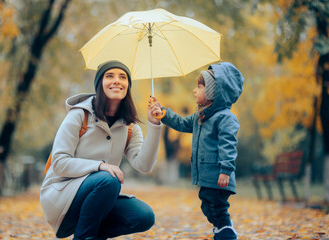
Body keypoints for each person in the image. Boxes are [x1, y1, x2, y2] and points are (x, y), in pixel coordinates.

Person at [40, 60, 162, 240]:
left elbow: (144, 165)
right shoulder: (79, 115)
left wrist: (154, 124)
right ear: (99, 84)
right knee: (108, 179)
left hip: (98, 195)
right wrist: (100, 166)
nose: (116, 81)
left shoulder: (129, 126)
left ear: (128, 86)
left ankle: (86, 236)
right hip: (61, 194)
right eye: (109, 76)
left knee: (143, 216)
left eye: (122, 77)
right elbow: (58, 163)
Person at [152, 62, 244, 240]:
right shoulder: (201, 116)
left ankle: (226, 232)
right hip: (207, 176)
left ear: (212, 92)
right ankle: (223, 228)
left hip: (218, 176)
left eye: (200, 87)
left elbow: (228, 145)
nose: (195, 90)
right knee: (207, 205)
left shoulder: (225, 118)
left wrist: (226, 170)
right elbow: (181, 123)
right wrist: (163, 112)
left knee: (217, 207)